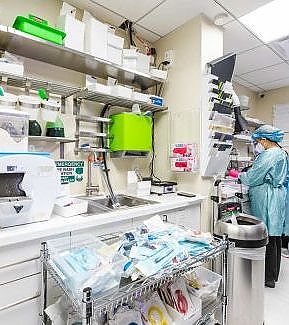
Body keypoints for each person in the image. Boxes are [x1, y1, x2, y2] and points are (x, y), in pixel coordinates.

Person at [239, 125, 288, 288]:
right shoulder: (282, 152)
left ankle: (266, 278)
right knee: (275, 236)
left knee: (266, 236)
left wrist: (239, 175)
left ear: (265, 140)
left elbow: (253, 177)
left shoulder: (268, 155)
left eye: (258, 141)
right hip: (278, 196)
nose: (257, 144)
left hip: (268, 198)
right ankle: (273, 275)